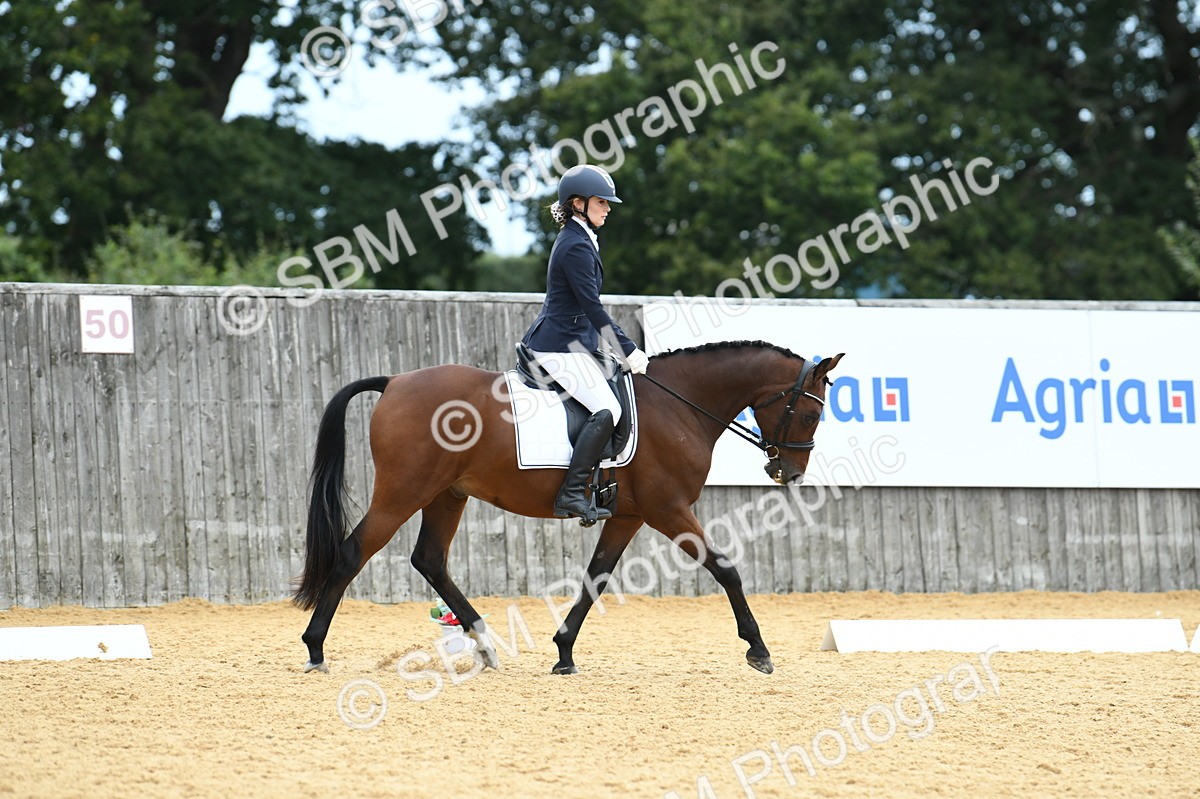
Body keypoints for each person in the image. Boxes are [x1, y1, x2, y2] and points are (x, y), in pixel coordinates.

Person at [520, 164, 650, 522]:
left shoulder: (582, 239)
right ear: (578, 204)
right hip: (558, 345)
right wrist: (626, 349)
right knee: (608, 410)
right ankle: (572, 494)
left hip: (577, 342)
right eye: (601, 202)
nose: (608, 208)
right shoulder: (575, 246)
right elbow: (592, 306)